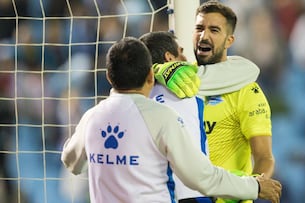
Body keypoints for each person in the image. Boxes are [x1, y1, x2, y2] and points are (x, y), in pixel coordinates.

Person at [60, 37, 282, 202]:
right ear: (150, 75)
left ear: (109, 77)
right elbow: (200, 177)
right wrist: (253, 186)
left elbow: (71, 162)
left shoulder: (92, 117)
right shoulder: (161, 117)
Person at [156, 1, 276, 202]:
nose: (204, 36)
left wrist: (248, 188)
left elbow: (264, 156)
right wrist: (157, 70)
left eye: (214, 30)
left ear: (229, 40)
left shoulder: (246, 89)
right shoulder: (179, 78)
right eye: (199, 28)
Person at [139, 31, 211, 202]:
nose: (186, 58)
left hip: (155, 194)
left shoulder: (136, 99)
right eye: (181, 52)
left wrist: (155, 70)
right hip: (194, 192)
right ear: (170, 58)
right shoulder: (194, 91)